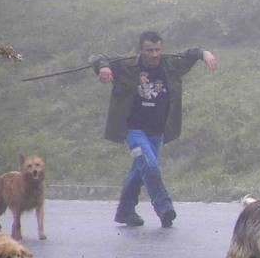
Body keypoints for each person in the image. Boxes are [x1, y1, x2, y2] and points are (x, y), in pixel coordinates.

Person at [92, 32, 218, 227]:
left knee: (139, 169)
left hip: (157, 132)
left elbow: (190, 54)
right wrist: (104, 67)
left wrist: (204, 54)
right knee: (149, 166)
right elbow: (98, 57)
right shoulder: (126, 66)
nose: (154, 54)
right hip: (134, 131)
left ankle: (125, 211)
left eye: (158, 49)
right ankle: (164, 208)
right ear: (141, 50)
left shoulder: (171, 65)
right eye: (149, 50)